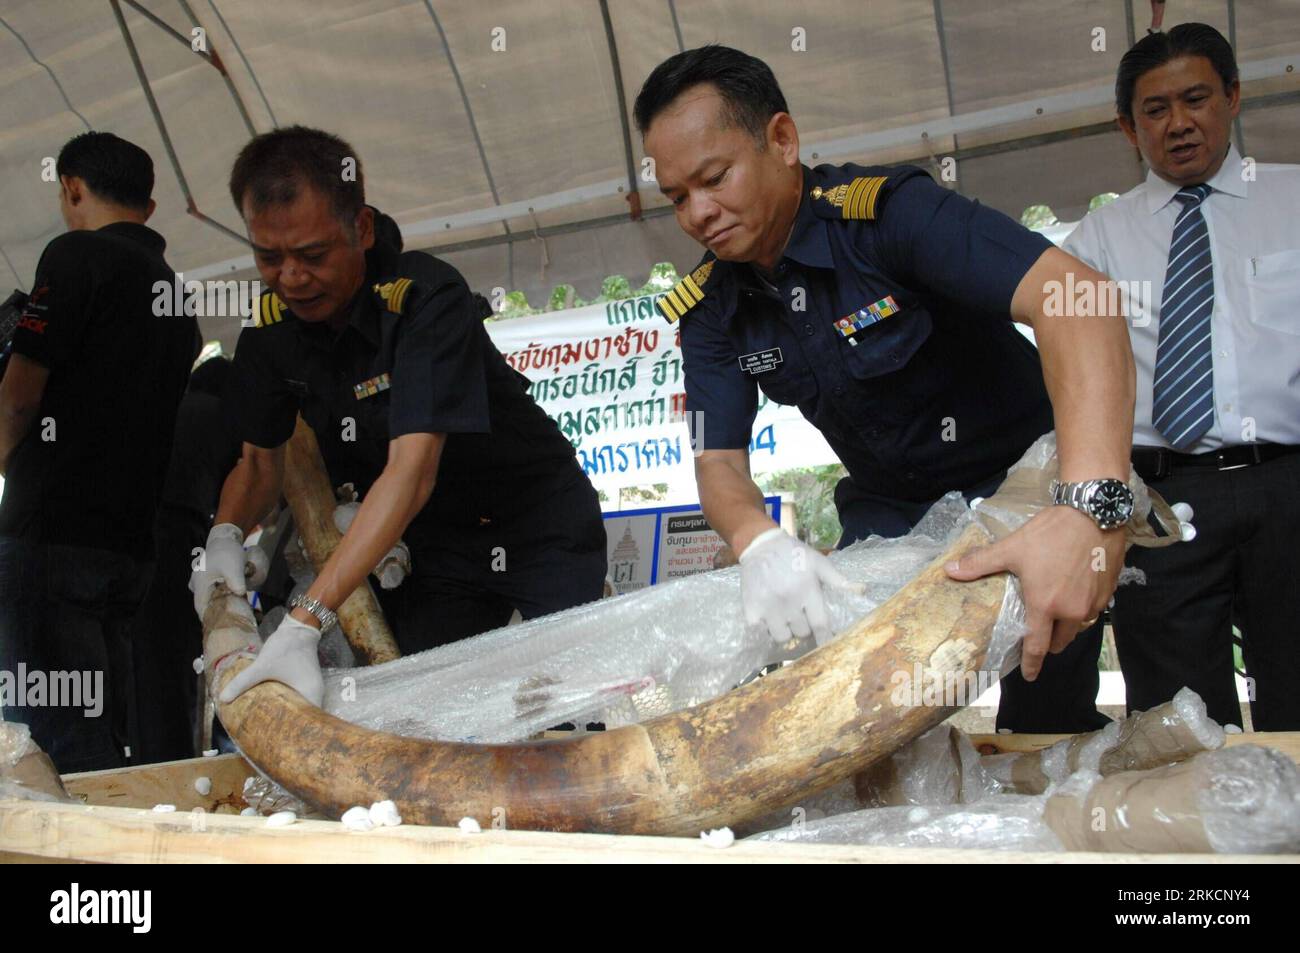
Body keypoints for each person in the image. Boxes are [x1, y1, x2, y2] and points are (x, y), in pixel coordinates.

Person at [634, 46, 1140, 731]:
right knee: (865, 719)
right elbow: (715, 459)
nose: (698, 212)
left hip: (1025, 485)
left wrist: (1088, 507)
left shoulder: (889, 216)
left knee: (1043, 720)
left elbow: (1078, 298)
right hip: (893, 510)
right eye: (676, 198)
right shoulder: (709, 309)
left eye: (714, 177)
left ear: (782, 140)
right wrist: (756, 540)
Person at [195, 126, 606, 707]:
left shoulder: (424, 298)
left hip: (537, 521)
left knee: (570, 699)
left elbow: (411, 471)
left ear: (360, 229)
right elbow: (261, 463)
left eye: (311, 255)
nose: (290, 278)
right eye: (268, 257)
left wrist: (307, 617)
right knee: (433, 708)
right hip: (435, 545)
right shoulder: (270, 332)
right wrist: (223, 537)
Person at [1062, 23, 1300, 730]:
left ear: (1231, 97)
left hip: (1288, 485)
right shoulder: (1094, 242)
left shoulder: (1294, 201)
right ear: (1128, 129)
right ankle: (1200, 840)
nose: (1179, 123)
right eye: (1155, 111)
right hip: (1161, 503)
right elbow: (1069, 373)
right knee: (1177, 724)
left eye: (1196, 99)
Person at [0, 131, 198, 772]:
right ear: (150, 204)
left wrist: (9, 462)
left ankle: (82, 867)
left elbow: (17, 399)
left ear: (72, 188)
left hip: (52, 536)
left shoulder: (75, 256)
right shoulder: (177, 299)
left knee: (47, 740)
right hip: (128, 549)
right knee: (98, 729)